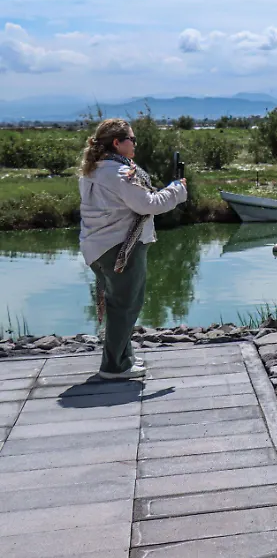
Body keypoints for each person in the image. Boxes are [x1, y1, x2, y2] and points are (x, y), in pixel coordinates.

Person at [78, 118, 188, 379]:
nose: (135, 143)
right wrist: (176, 191)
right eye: (132, 139)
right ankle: (114, 367)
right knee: (126, 305)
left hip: (97, 246)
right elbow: (147, 204)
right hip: (121, 247)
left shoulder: (94, 169)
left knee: (119, 304)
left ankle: (124, 359)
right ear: (117, 143)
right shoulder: (119, 174)